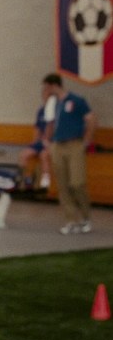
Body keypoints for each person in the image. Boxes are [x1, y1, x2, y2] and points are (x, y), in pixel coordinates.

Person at [42, 73, 96, 235]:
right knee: (63, 184)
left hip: (74, 144)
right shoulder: (52, 103)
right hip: (58, 145)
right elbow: (50, 123)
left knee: (77, 183)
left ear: (54, 85)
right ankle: (71, 220)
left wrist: (86, 141)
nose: (45, 90)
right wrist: (47, 141)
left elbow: (91, 119)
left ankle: (86, 217)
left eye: (47, 87)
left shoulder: (76, 100)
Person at [18, 91, 52, 190]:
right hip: (40, 142)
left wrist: (49, 142)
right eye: (45, 96)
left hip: (52, 143)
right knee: (23, 154)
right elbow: (37, 128)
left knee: (44, 155)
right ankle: (24, 180)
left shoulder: (57, 111)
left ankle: (45, 184)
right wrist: (34, 142)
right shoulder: (41, 111)